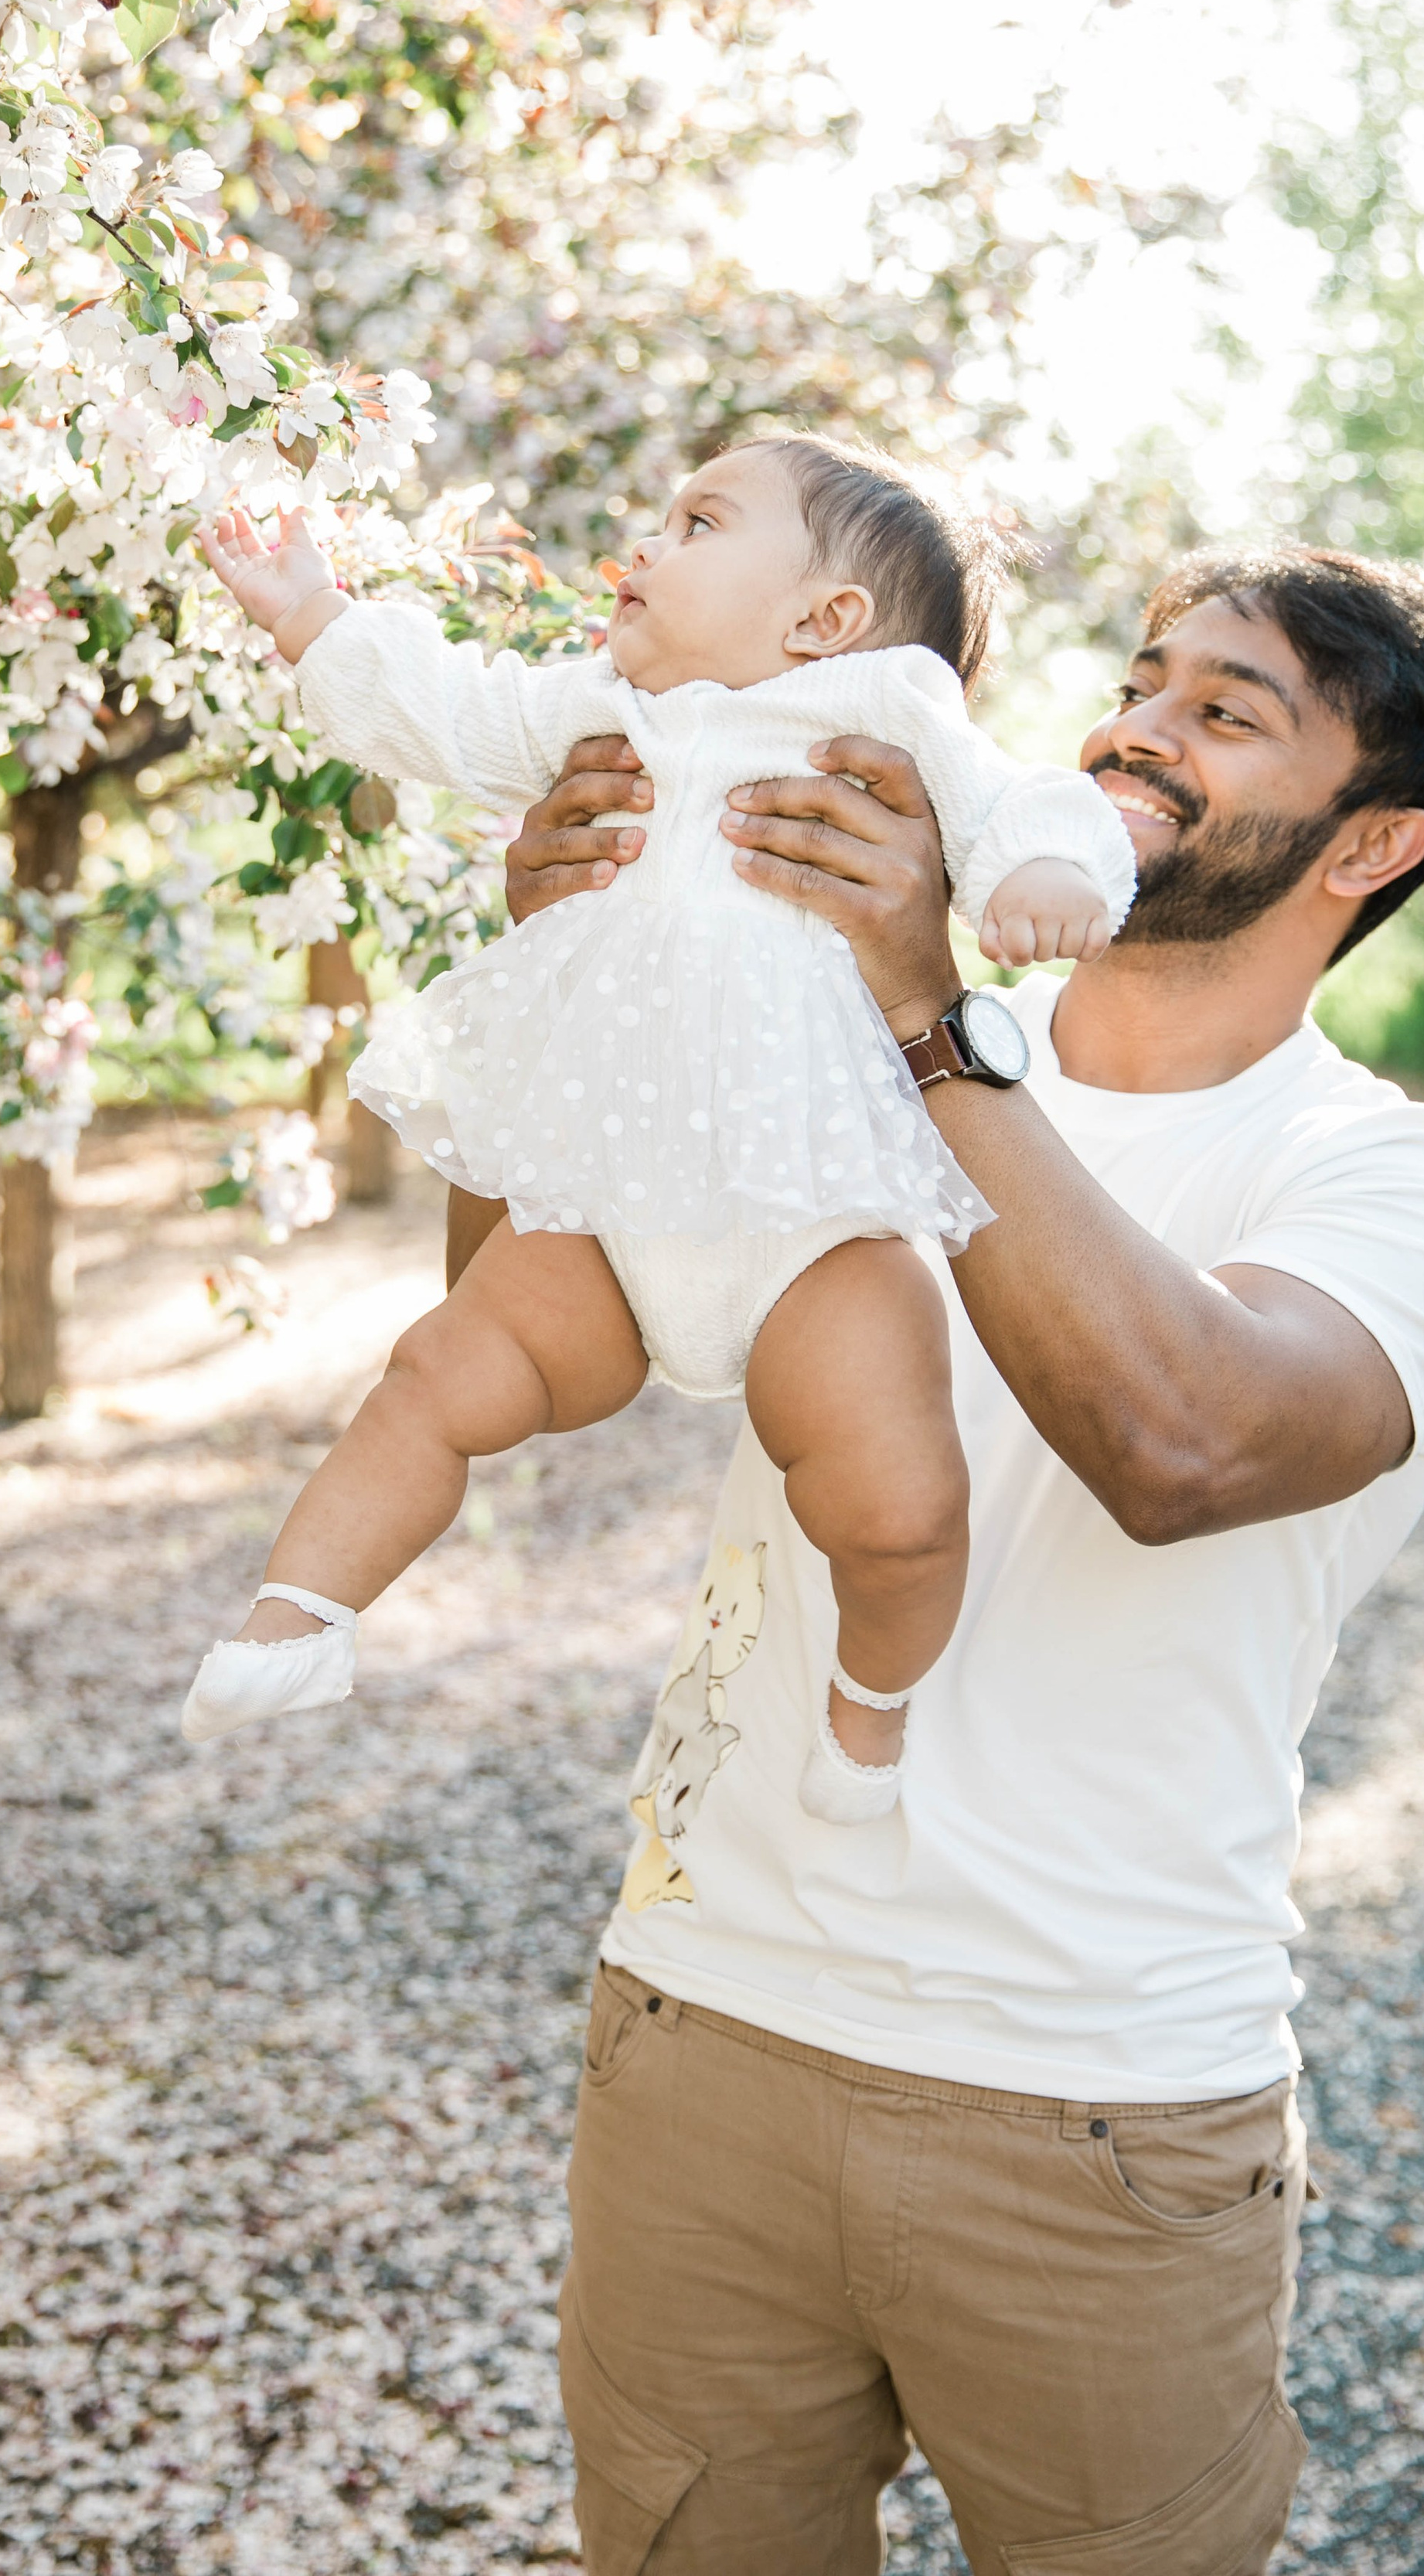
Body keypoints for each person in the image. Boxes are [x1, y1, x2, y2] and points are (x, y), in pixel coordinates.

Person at [459, 544, 1424, 2576]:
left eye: (1226, 713)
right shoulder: (833, 1023)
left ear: (1371, 843)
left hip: (1099, 2105)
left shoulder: (1395, 1182)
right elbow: (525, 1341)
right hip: (701, 2029)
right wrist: (554, 990)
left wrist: (928, 1017)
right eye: (1142, 680)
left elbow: (1179, 1444)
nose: (1137, 729)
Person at [181, 437, 1133, 1821]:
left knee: (900, 1512)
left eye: (699, 524)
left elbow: (1017, 797)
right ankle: (300, 1615)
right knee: (436, 1374)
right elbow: (452, 710)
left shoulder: (883, 706)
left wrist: (1045, 870)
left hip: (816, 1226)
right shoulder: (602, 706)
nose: (647, 545)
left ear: (824, 620)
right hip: (609, 1204)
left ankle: (869, 1707)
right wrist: (312, 615)